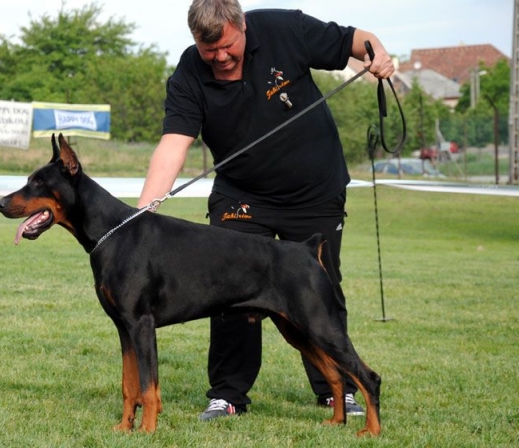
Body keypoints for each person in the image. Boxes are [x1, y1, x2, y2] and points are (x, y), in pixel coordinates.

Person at [137, 0, 395, 421]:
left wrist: (377, 51)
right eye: (208, 50)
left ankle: (337, 390)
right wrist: (143, 214)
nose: (220, 57)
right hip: (242, 195)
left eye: (227, 46)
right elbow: (173, 145)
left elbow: (354, 40)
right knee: (226, 287)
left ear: (242, 25)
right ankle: (228, 395)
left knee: (318, 288)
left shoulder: (283, 28)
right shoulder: (189, 72)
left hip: (315, 191)